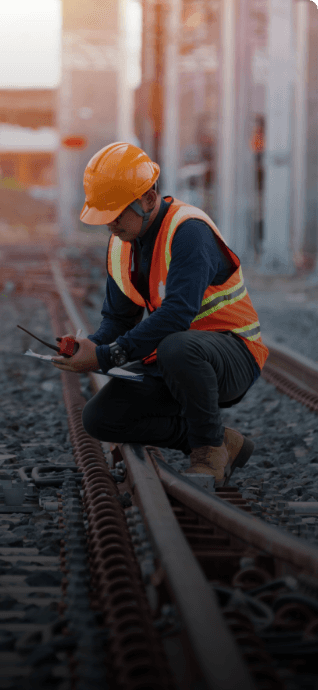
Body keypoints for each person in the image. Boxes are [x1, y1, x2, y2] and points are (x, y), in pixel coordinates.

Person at [51, 142, 268, 486]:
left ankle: (208, 452)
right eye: (105, 217)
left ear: (149, 199)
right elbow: (119, 319)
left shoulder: (188, 232)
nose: (110, 225)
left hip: (233, 355)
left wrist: (108, 356)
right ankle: (220, 439)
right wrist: (88, 347)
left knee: (177, 346)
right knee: (99, 418)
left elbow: (177, 315)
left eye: (117, 214)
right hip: (175, 360)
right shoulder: (123, 243)